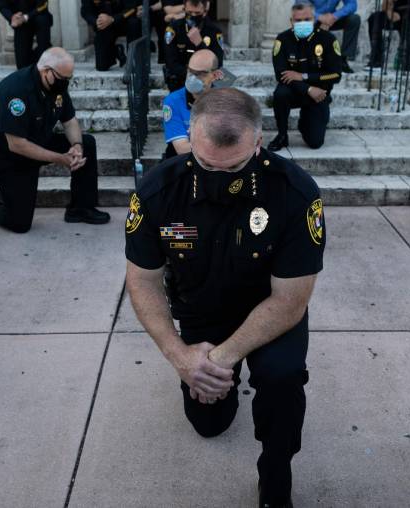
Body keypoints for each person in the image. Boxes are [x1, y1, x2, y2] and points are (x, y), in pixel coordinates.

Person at [125, 88, 325, 508]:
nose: (216, 179)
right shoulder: (159, 191)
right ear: (190, 138)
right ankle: (216, 391)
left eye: (231, 167)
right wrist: (181, 357)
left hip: (269, 312)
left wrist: (219, 360)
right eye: (202, 163)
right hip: (201, 312)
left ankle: (275, 474)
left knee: (281, 378)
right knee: (209, 423)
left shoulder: (294, 193)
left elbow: (290, 301)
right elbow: (142, 282)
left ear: (258, 143)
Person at [0, 48, 110, 232]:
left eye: (69, 78)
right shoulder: (17, 91)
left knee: (87, 142)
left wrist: (76, 146)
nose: (65, 83)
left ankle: (81, 208)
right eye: (63, 78)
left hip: (38, 140)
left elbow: (69, 121)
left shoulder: (55, 85)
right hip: (7, 155)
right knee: (19, 223)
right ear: (46, 71)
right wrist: (60, 159)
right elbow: (17, 144)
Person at [268, 1, 342, 152]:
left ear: (314, 19)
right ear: (291, 21)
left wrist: (304, 76)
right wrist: (308, 88)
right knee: (280, 94)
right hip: (294, 91)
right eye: (298, 20)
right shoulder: (283, 39)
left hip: (319, 95)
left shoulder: (328, 39)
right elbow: (281, 75)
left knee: (315, 142)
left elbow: (336, 75)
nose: (303, 23)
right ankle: (282, 135)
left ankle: (306, 122)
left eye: (307, 19)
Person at [161, 49, 223, 159]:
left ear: (215, 75)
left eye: (200, 74)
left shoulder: (224, 101)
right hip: (183, 164)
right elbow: (183, 149)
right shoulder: (173, 101)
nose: (192, 78)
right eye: (190, 71)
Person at [163, 0, 224, 91]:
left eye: (197, 13)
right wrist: (191, 75)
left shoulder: (214, 31)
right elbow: (170, 61)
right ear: (184, 9)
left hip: (205, 80)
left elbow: (218, 62)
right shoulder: (174, 28)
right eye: (189, 12)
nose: (193, 16)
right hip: (180, 79)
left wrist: (200, 44)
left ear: (204, 12)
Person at [366, 0, 410, 71]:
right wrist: (389, 11)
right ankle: (377, 59)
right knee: (374, 19)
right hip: (397, 14)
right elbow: (385, 4)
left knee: (408, 65)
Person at [81, 0, 141, 71]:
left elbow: (132, 8)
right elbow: (85, 11)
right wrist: (97, 21)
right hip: (104, 24)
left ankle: (133, 59)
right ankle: (116, 50)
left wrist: (113, 19)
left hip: (123, 21)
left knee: (134, 23)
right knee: (101, 67)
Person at [305, 0, 358, 73]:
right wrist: (320, 17)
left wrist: (334, 16)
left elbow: (352, 4)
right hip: (313, 18)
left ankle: (343, 60)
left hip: (331, 19)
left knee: (354, 19)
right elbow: (300, 6)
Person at [0, 0, 53, 69]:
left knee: (43, 52)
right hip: (20, 22)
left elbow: (43, 5)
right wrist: (12, 17)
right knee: (21, 65)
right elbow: (2, 5)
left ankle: (46, 52)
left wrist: (26, 17)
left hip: (38, 15)